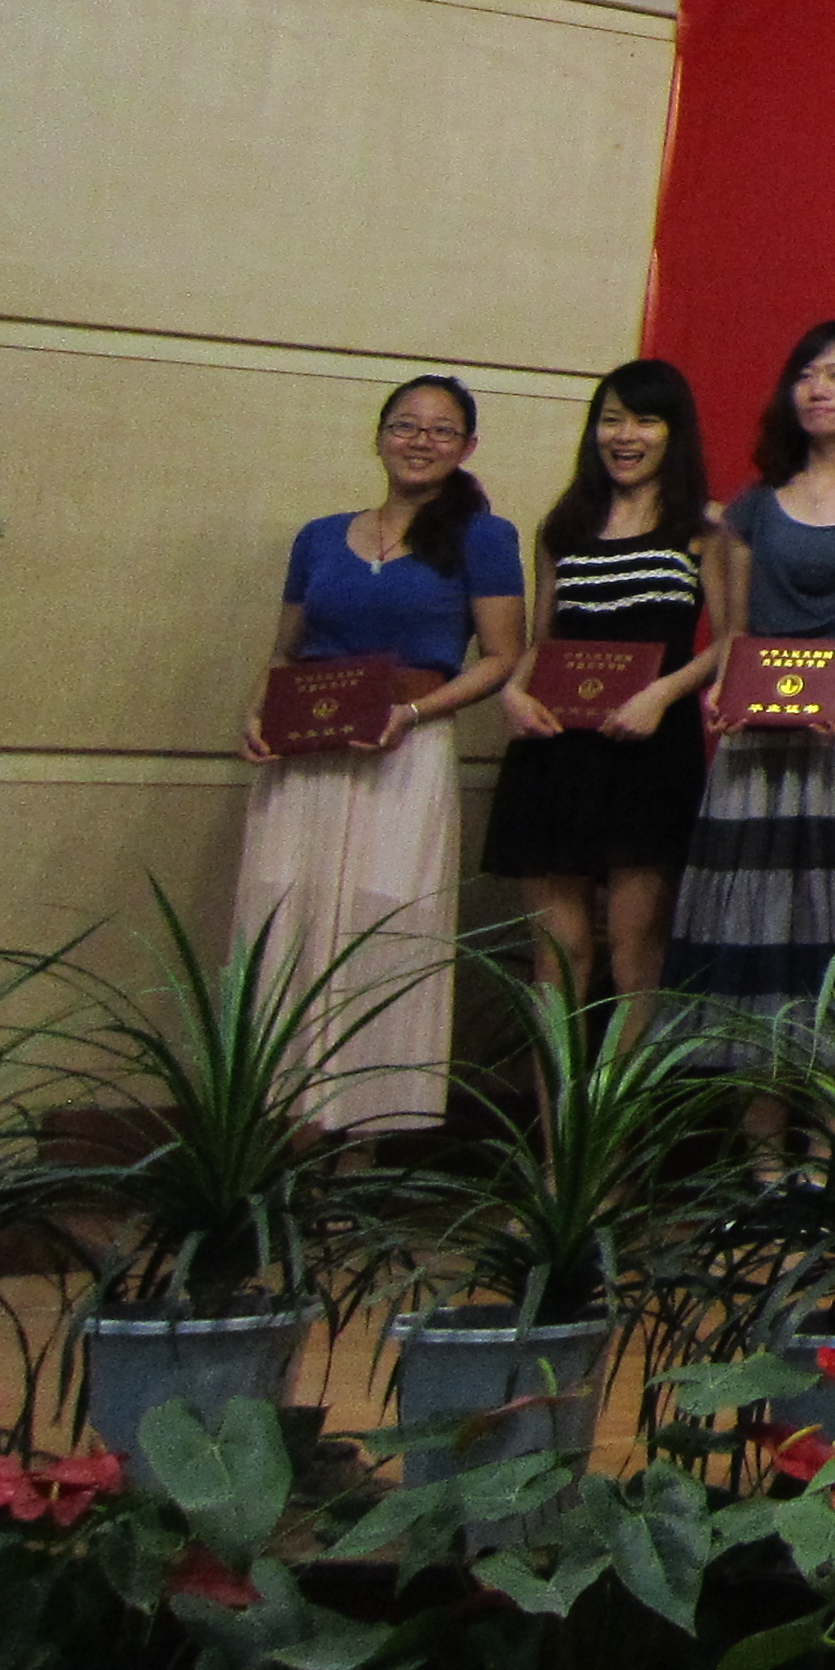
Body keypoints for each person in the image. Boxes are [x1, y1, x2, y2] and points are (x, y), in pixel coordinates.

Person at [238, 374, 524, 1135]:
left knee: (384, 925)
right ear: (379, 436)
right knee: (288, 918)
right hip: (305, 756)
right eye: (405, 425)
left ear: (466, 447)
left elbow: (503, 658)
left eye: (441, 430)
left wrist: (413, 713)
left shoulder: (485, 538)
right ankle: (285, 1129)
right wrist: (257, 713)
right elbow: (285, 651)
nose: (420, 441)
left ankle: (364, 1138)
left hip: (404, 750)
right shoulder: (318, 537)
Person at [669, 322, 835, 1112]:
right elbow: (734, 635)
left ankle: (828, 1149)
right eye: (807, 375)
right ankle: (761, 1154)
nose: (819, 390)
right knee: (760, 929)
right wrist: (723, 690)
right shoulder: (752, 509)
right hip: (759, 738)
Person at [488, 359, 725, 1041]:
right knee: (558, 957)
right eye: (611, 419)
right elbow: (542, 641)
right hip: (555, 753)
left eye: (645, 420)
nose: (625, 436)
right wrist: (512, 692)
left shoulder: (704, 526)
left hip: (650, 752)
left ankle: (620, 1113)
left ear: (674, 432)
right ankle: (560, 1114)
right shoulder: (562, 527)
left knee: (635, 956)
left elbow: (730, 641)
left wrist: (662, 694)